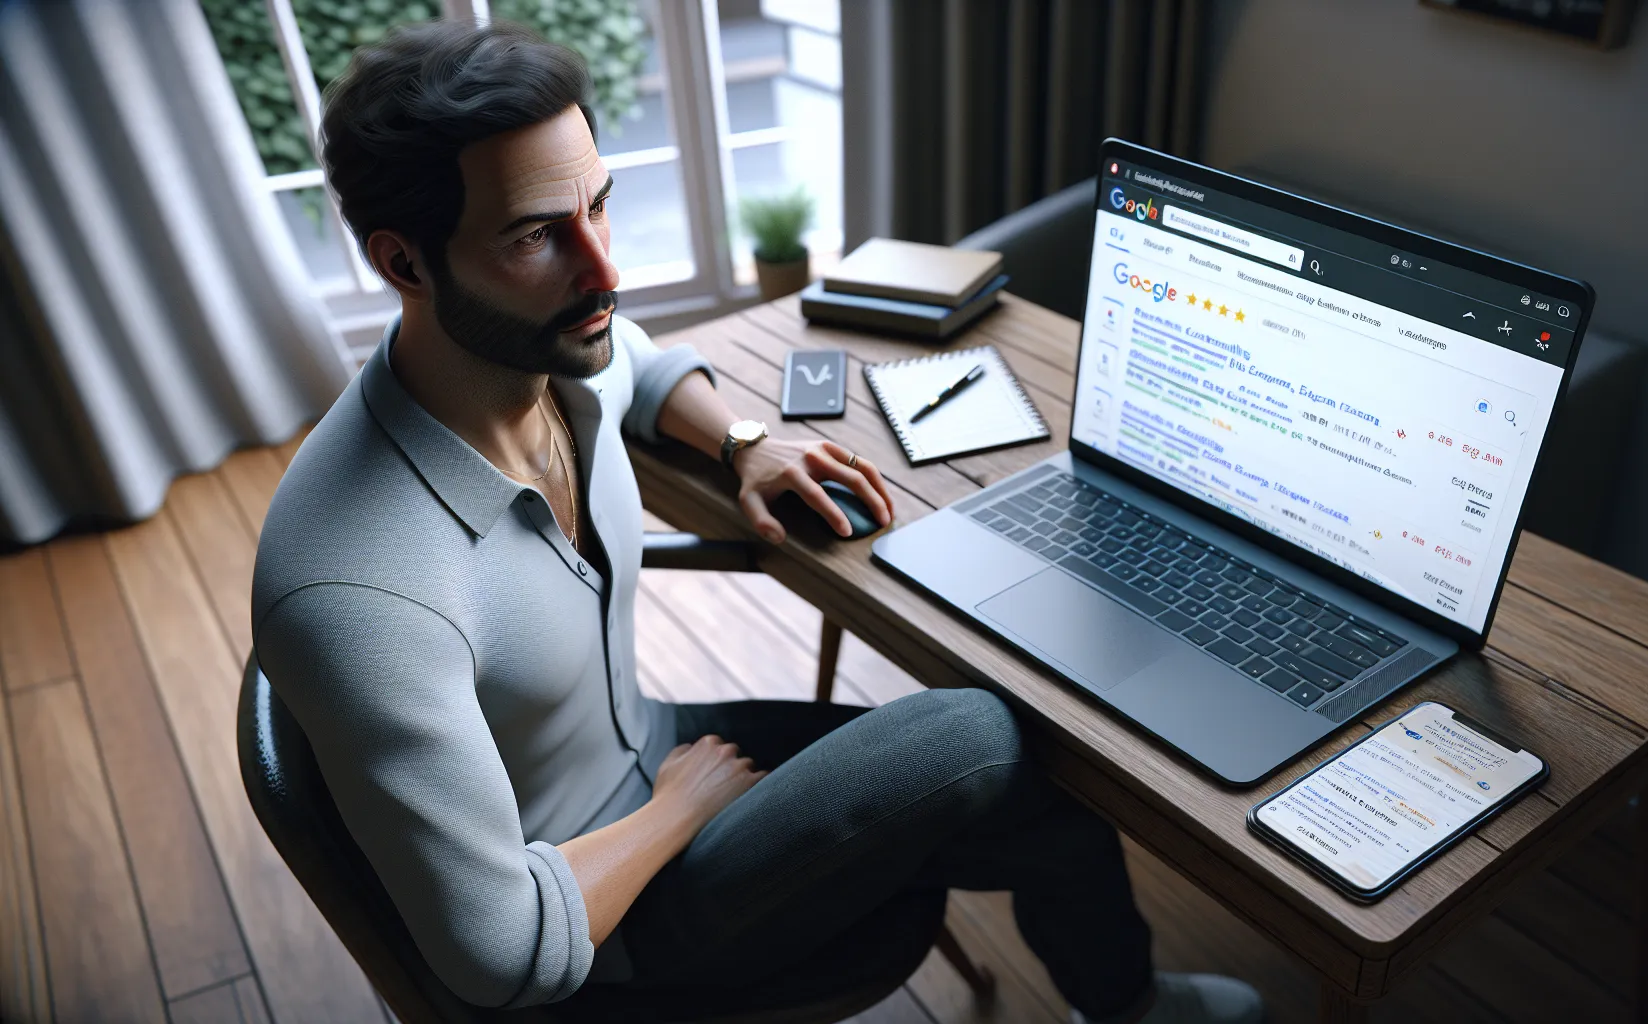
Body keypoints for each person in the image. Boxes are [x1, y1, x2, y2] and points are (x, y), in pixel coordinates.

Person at [251, 18, 1262, 1024]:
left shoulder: (540, 355)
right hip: (606, 935)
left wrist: (744, 443)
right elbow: (503, 956)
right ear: (406, 263)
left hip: (650, 754)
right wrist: (674, 812)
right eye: (534, 236)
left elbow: (636, 354)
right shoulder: (357, 586)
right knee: (976, 728)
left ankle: (1128, 1004)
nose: (603, 269)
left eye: (599, 206)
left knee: (1051, 794)